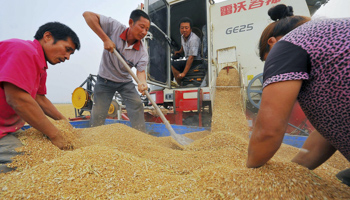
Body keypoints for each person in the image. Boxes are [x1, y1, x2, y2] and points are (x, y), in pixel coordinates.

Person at [246, 4, 350, 186]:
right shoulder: (329, 34)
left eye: (266, 60)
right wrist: (294, 172)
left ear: (271, 43)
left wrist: (248, 176)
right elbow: (327, 133)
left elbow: (268, 131)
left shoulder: (287, 45)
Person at [0, 22, 81, 172]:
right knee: (33, 158)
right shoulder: (24, 50)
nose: (68, 57)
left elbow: (40, 99)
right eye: (67, 49)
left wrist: (64, 122)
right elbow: (17, 99)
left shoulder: (41, 67)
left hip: (9, 130)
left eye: (71, 53)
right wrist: (55, 134)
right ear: (48, 37)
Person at [83, 10, 150, 132]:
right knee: (98, 112)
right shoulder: (115, 27)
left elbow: (141, 72)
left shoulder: (142, 52)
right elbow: (87, 15)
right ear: (131, 23)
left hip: (125, 82)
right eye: (142, 27)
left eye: (147, 29)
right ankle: (93, 138)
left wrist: (142, 82)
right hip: (105, 80)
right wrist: (105, 39)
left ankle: (141, 137)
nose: (144, 32)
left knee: (137, 104)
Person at [171, 17, 202, 85]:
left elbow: (191, 58)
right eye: (182, 28)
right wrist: (179, 51)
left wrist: (183, 73)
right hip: (189, 58)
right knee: (172, 61)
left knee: (174, 65)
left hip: (196, 61)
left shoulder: (194, 39)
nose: (184, 30)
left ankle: (180, 84)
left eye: (186, 28)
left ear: (190, 29)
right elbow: (183, 45)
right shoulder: (183, 36)